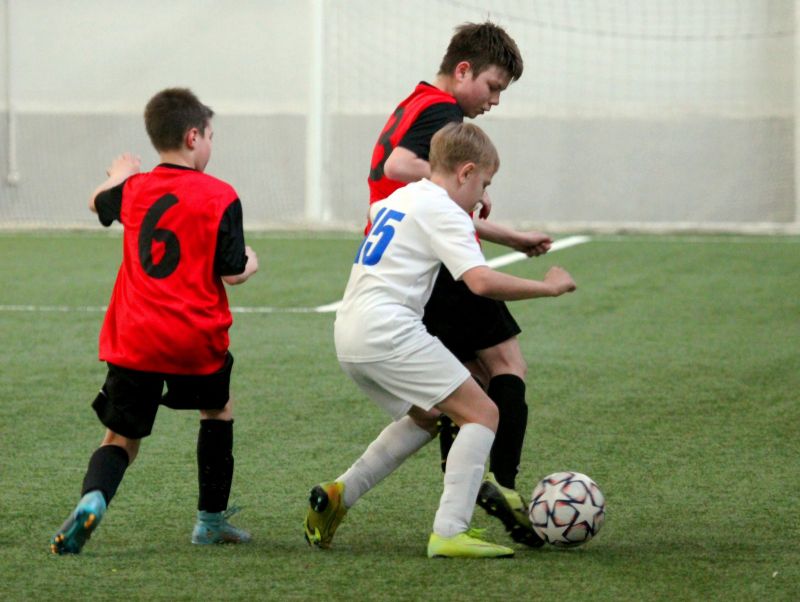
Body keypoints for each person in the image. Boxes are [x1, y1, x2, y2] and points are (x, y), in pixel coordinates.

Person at [303, 122, 576, 558]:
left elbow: (383, 226)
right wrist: (549, 287)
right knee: (483, 414)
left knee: (430, 416)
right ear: (465, 172)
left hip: (349, 332)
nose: (482, 198)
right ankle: (450, 532)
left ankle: (340, 493)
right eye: (484, 184)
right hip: (389, 330)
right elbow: (480, 282)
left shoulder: (400, 197)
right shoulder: (445, 210)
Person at [49, 88, 258, 555]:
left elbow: (96, 202)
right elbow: (232, 271)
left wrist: (120, 174)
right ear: (192, 137)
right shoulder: (221, 195)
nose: (211, 145)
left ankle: (93, 499)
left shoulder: (135, 190)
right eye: (210, 136)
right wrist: (251, 261)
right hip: (195, 339)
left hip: (136, 337)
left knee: (120, 438)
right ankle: (209, 523)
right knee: (217, 410)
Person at [367, 21, 550, 547]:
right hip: (435, 264)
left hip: (408, 259)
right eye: (492, 86)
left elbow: (430, 197)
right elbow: (400, 164)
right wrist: (465, 185)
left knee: (462, 384)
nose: (494, 101)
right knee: (507, 364)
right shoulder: (442, 111)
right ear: (463, 70)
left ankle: (455, 503)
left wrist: (509, 235)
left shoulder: (416, 101)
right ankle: (503, 486)